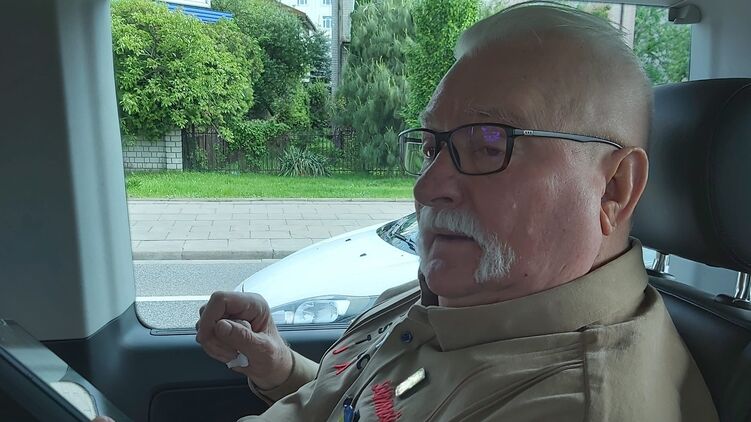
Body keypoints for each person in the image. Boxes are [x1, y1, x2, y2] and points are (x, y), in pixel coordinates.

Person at [195, 3, 719, 421]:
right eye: (432, 147)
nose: (426, 187)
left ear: (613, 189)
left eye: (490, 144)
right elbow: (377, 404)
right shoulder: (464, 296)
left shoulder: (567, 404)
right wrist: (281, 369)